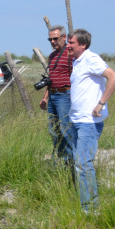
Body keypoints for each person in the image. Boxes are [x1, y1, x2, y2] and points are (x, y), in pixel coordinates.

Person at [67, 28, 115, 213]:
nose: (68, 45)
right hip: (77, 119)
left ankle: (90, 209)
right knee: (80, 163)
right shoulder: (77, 61)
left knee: (83, 164)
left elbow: (114, 78)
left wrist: (101, 103)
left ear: (83, 44)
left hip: (89, 122)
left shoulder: (91, 59)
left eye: (71, 42)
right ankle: (86, 204)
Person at [39, 25, 73, 171]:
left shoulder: (69, 54)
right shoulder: (52, 56)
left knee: (66, 129)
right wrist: (45, 97)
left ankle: (71, 162)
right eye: (50, 39)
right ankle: (61, 158)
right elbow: (51, 78)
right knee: (53, 130)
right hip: (53, 95)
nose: (52, 42)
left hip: (65, 95)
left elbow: (75, 76)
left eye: (55, 38)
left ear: (64, 37)